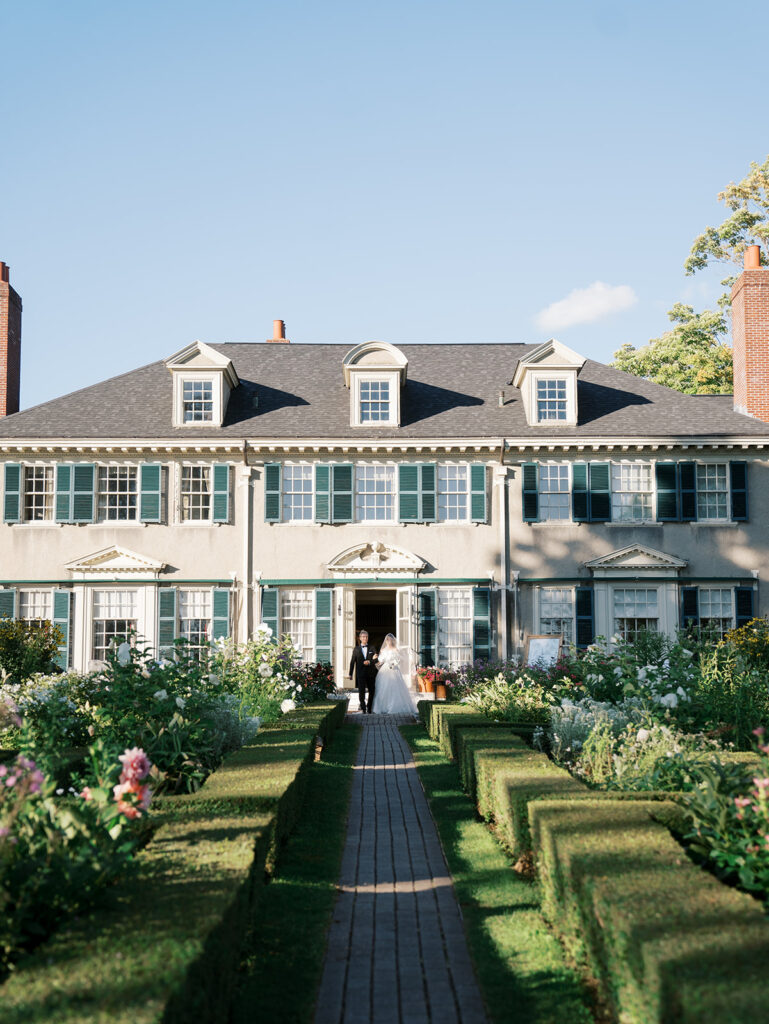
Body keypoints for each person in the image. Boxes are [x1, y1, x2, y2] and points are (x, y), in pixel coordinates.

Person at [371, 634, 418, 716]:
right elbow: (381, 660)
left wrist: (395, 663)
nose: (388, 641)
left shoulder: (396, 649)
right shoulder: (383, 650)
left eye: (390, 640)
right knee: (383, 688)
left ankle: (394, 707)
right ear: (386, 641)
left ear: (392, 641)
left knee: (395, 688)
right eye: (387, 640)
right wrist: (376, 658)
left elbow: (399, 659)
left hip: (394, 669)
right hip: (385, 670)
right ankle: (382, 707)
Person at [349, 629, 378, 714]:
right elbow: (352, 661)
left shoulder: (372, 648)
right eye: (363, 637)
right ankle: (363, 708)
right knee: (361, 692)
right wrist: (350, 674)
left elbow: (376, 660)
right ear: (360, 638)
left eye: (366, 637)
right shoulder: (356, 649)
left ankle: (369, 708)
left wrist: (369, 662)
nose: (365, 638)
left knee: (372, 691)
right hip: (360, 673)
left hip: (371, 673)